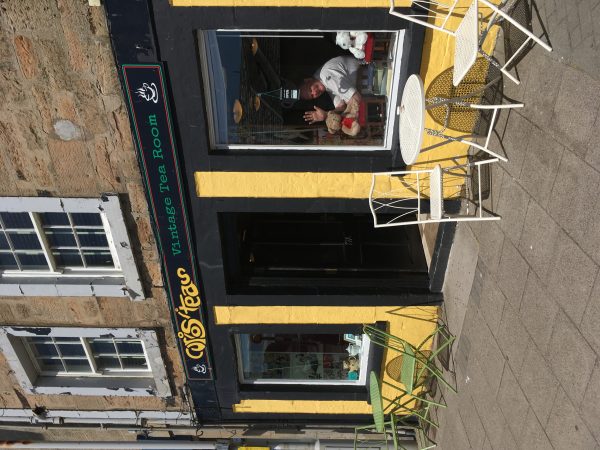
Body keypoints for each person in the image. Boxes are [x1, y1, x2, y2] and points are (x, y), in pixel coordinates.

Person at [300, 56, 362, 124]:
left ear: (308, 80)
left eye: (310, 89)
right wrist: (327, 114)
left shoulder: (325, 76)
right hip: (364, 87)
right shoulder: (322, 81)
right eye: (312, 96)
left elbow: (356, 99)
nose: (315, 93)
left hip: (368, 78)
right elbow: (341, 107)